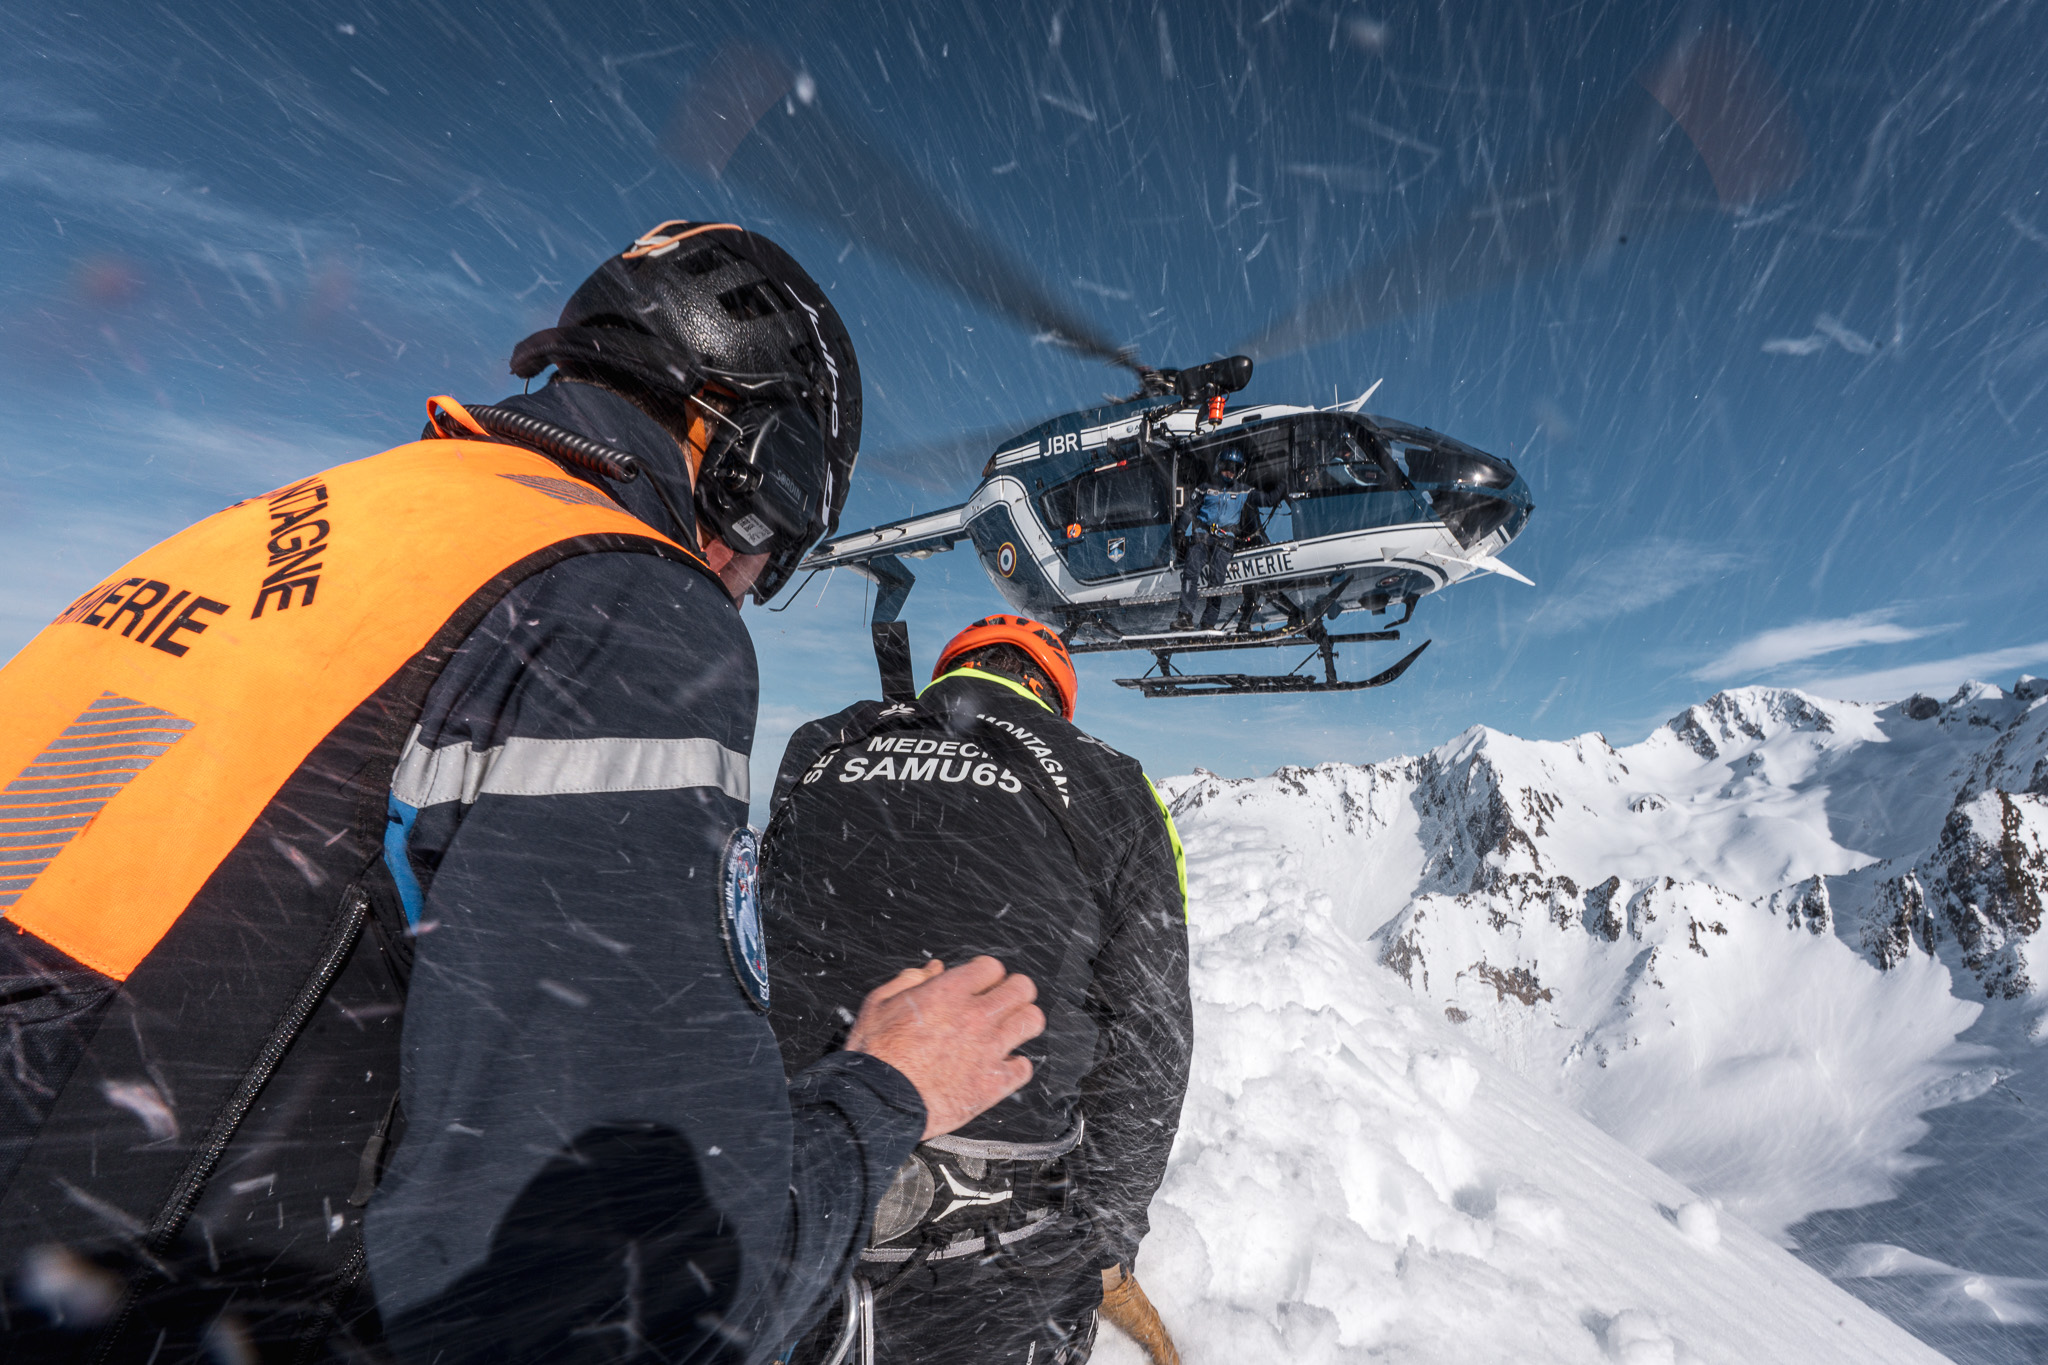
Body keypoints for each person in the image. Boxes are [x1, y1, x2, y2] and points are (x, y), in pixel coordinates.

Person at [0, 220, 1046, 1364]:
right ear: (764, 470)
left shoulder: (294, 529)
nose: (748, 588)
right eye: (784, 536)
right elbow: (637, 1289)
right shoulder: (615, 605)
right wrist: (883, 1094)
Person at [759, 615, 1192, 1365]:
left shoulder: (822, 743)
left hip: (771, 1214)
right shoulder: (1113, 783)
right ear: (1052, 696)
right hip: (987, 1271)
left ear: (947, 673)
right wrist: (1107, 1246)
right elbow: (1150, 1043)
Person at [1173, 446, 1257, 630]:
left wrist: (1285, 484)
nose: (1229, 472)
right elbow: (1189, 510)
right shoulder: (1205, 488)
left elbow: (1266, 499)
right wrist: (1180, 531)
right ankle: (1185, 616)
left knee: (1217, 581)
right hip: (1202, 538)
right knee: (1190, 572)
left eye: (1233, 468)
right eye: (1226, 466)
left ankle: (1208, 622)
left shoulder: (1243, 492)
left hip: (1225, 541)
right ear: (1219, 466)